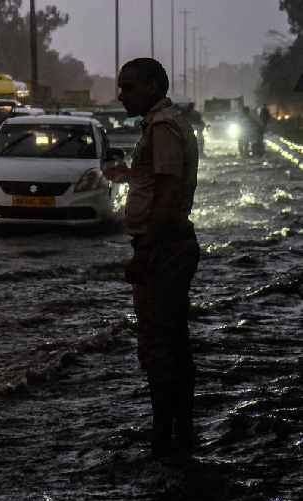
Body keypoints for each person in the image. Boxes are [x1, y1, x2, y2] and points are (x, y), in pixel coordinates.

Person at [103, 58, 200, 457]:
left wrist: (144, 252)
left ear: (154, 86)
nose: (121, 94)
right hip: (171, 245)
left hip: (164, 247)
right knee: (174, 341)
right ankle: (180, 431)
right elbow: (158, 183)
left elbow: (166, 195)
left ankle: (165, 436)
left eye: (128, 87)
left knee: (159, 345)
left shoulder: (162, 127)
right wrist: (126, 175)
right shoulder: (164, 124)